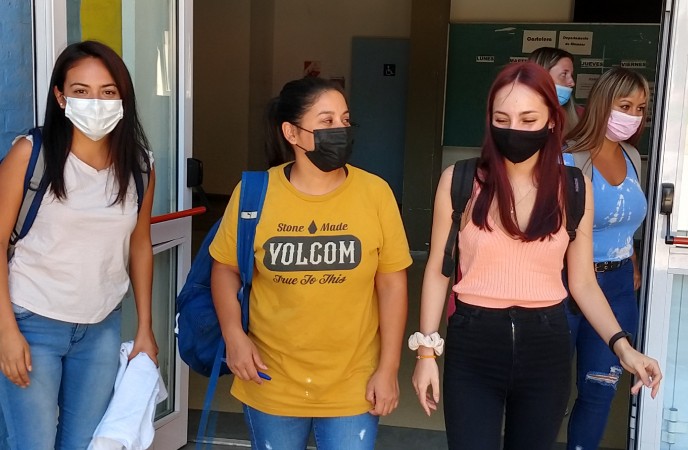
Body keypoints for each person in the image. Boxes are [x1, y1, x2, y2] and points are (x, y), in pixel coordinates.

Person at [410, 62, 661, 450]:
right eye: (502, 119)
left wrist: (622, 346)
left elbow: (582, 282)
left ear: (551, 121)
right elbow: (439, 270)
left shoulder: (574, 187)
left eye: (528, 119)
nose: (514, 129)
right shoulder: (460, 180)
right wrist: (426, 353)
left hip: (546, 345)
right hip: (474, 343)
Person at [210, 77, 412, 450]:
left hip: (353, 382)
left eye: (345, 120)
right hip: (271, 379)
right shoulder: (255, 193)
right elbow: (225, 268)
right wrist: (234, 336)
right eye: (326, 121)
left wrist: (389, 368)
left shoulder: (375, 193)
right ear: (291, 132)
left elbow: (392, 284)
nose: (341, 130)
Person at [0, 40, 158, 449]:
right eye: (81, 91)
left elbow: (140, 244)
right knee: (32, 443)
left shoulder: (139, 165)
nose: (96, 102)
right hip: (32, 322)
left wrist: (145, 327)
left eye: (108, 92)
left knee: (85, 444)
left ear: (123, 98)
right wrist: (5, 331)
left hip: (101, 327)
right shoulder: (30, 156)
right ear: (60, 96)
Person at [561, 67, 650, 450]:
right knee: (547, 390)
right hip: (566, 286)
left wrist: (631, 261)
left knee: (600, 387)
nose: (633, 116)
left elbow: (627, 220)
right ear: (602, 104)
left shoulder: (631, 156)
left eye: (640, 109)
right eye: (625, 106)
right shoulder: (569, 159)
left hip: (617, 287)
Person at [529, 47, 582, 136]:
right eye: (564, 74)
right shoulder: (515, 113)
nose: (572, 83)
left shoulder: (580, 115)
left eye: (571, 75)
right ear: (541, 75)